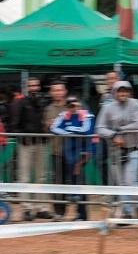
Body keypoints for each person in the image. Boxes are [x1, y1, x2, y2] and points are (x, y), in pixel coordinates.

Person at [96, 81, 138, 219]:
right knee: (120, 183)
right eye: (120, 91)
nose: (123, 94)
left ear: (129, 92)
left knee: (130, 180)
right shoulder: (107, 107)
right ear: (115, 93)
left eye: (125, 91)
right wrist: (113, 135)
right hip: (116, 151)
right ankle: (127, 212)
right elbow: (99, 128)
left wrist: (120, 131)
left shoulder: (136, 104)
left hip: (133, 149)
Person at [9, 77, 51, 221]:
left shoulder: (44, 102)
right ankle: (26, 208)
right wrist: (23, 136)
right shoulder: (19, 102)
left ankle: (42, 208)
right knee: (24, 177)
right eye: (31, 86)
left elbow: (46, 121)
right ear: (26, 87)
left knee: (41, 176)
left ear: (39, 87)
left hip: (41, 143)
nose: (34, 88)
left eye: (36, 85)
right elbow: (14, 123)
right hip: (25, 144)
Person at [50, 97, 95, 221]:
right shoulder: (64, 114)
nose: (73, 108)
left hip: (84, 151)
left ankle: (82, 214)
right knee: (71, 178)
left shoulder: (87, 115)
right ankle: (74, 208)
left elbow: (86, 130)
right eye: (70, 105)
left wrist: (68, 130)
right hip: (69, 152)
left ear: (80, 105)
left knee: (79, 179)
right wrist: (69, 133)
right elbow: (53, 128)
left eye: (75, 105)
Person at [44, 80, 69, 220]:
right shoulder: (48, 109)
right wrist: (48, 125)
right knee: (57, 182)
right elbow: (45, 128)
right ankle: (59, 213)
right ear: (51, 92)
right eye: (55, 90)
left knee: (74, 181)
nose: (58, 93)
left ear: (65, 91)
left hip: (72, 150)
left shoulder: (73, 105)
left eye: (60, 90)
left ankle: (81, 214)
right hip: (56, 150)